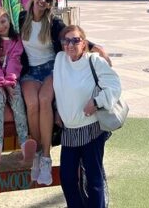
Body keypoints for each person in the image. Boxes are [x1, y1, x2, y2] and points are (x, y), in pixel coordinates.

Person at [19, 0, 110, 186]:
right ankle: (36, 153)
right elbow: (3, 32)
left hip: (51, 68)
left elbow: (73, 36)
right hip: (30, 72)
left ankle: (46, 156)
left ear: (51, 4)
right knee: (32, 104)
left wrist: (97, 48)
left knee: (44, 100)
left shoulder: (53, 22)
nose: (43, 1)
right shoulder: (21, 18)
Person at [53, 25, 121, 208]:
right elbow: (59, 89)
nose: (70, 44)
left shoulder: (94, 61)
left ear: (84, 43)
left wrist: (97, 102)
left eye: (75, 40)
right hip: (69, 131)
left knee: (94, 180)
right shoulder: (60, 60)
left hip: (91, 128)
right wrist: (58, 109)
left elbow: (115, 86)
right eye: (66, 40)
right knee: (67, 179)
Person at [0, 8, 37, 162]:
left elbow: (15, 61)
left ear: (8, 20)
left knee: (17, 100)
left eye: (3, 22)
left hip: (11, 79)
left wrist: (9, 82)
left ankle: (24, 142)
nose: (1, 26)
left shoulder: (16, 40)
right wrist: (1, 83)